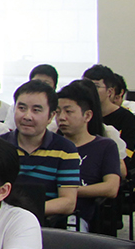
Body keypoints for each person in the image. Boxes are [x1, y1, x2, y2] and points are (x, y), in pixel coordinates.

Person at [6, 80, 80, 218]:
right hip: (2, 219)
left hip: (45, 221)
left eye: (36, 110)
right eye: (22, 108)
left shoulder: (65, 150)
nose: (27, 116)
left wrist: (24, 213)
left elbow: (68, 202)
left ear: (51, 116)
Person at [56, 81, 123, 231]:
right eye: (57, 112)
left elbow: (112, 187)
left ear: (87, 115)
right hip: (49, 211)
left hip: (79, 215)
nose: (61, 117)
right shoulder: (51, 145)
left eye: (68, 112)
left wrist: (69, 191)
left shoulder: (105, 146)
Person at [82, 65, 135, 166]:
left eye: (96, 86)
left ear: (110, 91)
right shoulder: (82, 115)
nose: (89, 91)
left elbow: (126, 157)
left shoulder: (126, 118)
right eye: (85, 86)